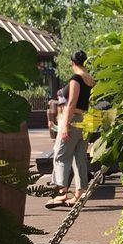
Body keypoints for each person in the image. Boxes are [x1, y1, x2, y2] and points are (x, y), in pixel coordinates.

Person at [46, 50, 96, 208]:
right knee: (79, 156)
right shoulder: (91, 80)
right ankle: (80, 193)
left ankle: (61, 193)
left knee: (60, 156)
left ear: (72, 63)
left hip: (73, 119)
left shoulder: (76, 79)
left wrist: (65, 126)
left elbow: (71, 103)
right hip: (86, 121)